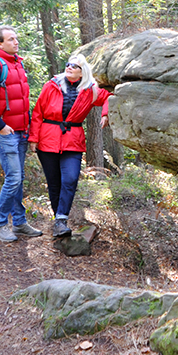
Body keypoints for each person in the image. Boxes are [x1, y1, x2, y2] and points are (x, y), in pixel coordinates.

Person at [29, 53, 111, 238]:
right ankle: (59, 221)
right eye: (68, 64)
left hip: (73, 140)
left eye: (74, 66)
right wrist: (33, 138)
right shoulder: (51, 85)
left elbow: (108, 97)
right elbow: (38, 112)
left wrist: (105, 113)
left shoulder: (90, 89)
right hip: (47, 138)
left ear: (82, 72)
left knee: (71, 178)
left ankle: (61, 219)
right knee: (54, 183)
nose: (69, 67)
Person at [0, 25, 43, 242]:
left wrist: (29, 130)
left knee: (18, 178)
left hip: (21, 131)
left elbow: (22, 101)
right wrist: (1, 126)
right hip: (4, 133)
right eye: (11, 39)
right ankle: (0, 225)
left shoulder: (18, 64)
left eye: (16, 38)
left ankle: (20, 223)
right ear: (0, 43)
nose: (16, 42)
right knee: (13, 178)